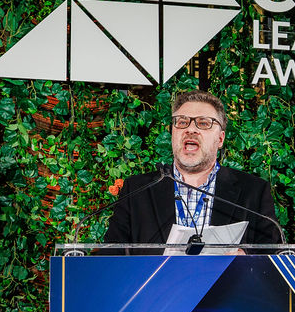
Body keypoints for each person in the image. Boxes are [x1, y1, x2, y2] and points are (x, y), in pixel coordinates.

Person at [103, 90, 283, 245]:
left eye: (203, 123)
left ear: (220, 139)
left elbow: (274, 254)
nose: (190, 129)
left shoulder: (254, 191)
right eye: (182, 122)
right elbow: (111, 256)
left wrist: (244, 259)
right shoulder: (136, 190)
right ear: (172, 133)